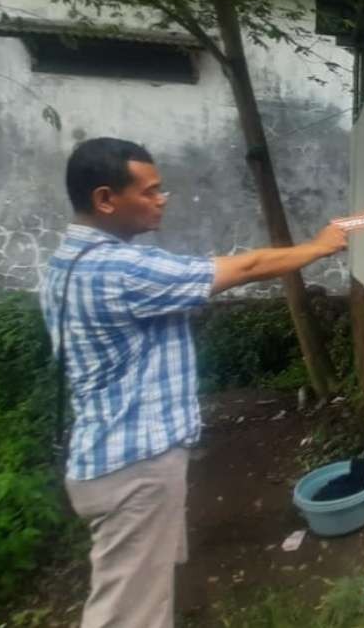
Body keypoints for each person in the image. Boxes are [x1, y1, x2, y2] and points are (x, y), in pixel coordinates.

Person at [38, 137, 347, 628]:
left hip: (102, 452)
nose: (161, 200)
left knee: (144, 586)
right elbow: (245, 268)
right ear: (104, 199)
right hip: (135, 466)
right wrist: (320, 246)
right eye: (151, 191)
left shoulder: (65, 263)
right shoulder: (119, 269)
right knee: (126, 614)